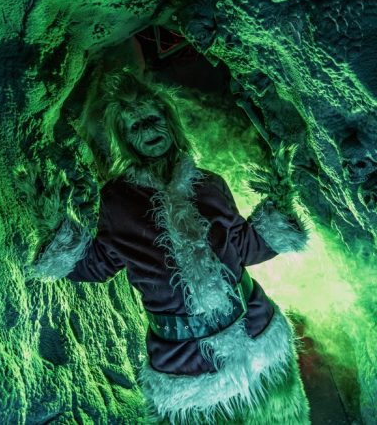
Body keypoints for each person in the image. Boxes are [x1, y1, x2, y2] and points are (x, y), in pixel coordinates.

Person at [29, 70, 310, 424]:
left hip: (256, 332)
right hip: (186, 363)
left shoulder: (210, 184)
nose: (147, 130)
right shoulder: (118, 201)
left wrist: (280, 206)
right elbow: (98, 263)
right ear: (126, 139)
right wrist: (55, 226)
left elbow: (243, 246)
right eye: (135, 126)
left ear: (170, 122)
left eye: (152, 119)